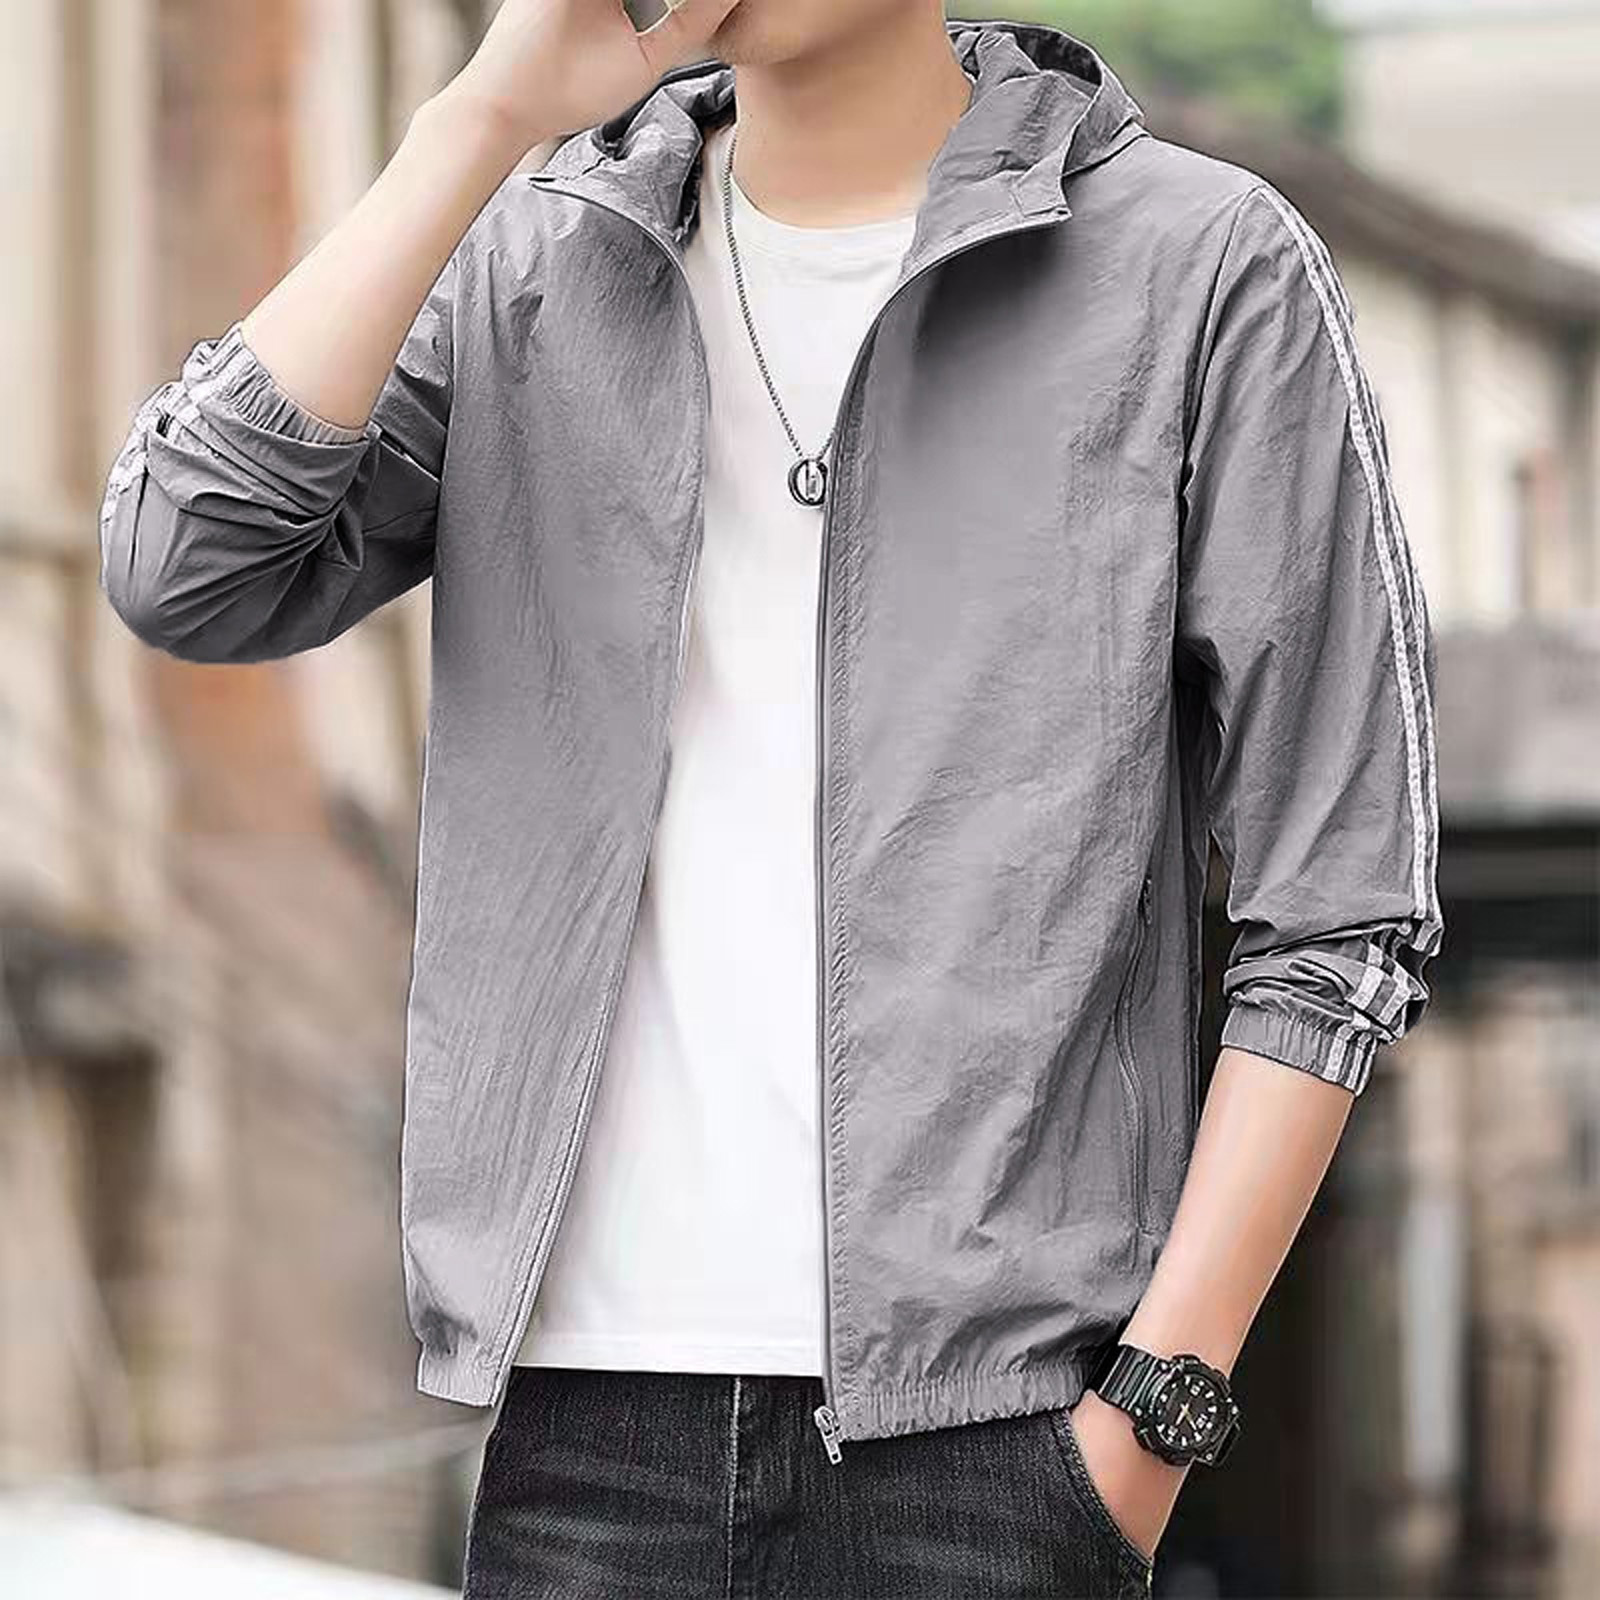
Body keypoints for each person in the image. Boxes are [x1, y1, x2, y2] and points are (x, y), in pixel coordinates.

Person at [97, 1, 1443, 1595]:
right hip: (585, 1435)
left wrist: (1151, 1414)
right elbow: (187, 564)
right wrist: (476, 123)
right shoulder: (534, 257)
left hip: (998, 1443)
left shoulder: (1200, 267)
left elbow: (1344, 907)